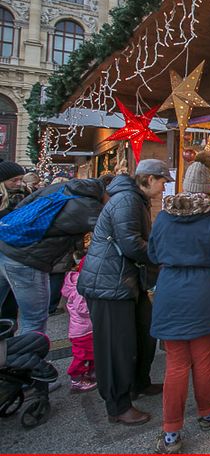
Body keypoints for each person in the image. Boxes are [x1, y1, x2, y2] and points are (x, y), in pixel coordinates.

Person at [147, 151, 210, 453]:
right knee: (203, 361)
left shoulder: (163, 217)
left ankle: (171, 434)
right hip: (204, 294)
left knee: (175, 365)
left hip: (170, 293)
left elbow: (151, 255)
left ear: (185, 188)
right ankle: (209, 413)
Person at [78, 160, 172, 426]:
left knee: (144, 331)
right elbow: (132, 245)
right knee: (116, 346)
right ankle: (117, 405)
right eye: (163, 181)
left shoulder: (135, 199)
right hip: (109, 284)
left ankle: (138, 382)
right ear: (149, 179)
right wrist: (165, 255)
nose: (165, 187)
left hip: (128, 281)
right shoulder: (127, 201)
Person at [0, 177, 106, 335]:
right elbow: (110, 233)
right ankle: (29, 356)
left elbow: (24, 205)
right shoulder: (91, 208)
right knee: (34, 318)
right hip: (27, 259)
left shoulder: (59, 187)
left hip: (5, 246)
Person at [61, 246, 96, 393]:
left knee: (94, 352)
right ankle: (76, 379)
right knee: (82, 356)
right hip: (82, 332)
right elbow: (83, 310)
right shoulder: (81, 288)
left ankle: (91, 373)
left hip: (87, 329)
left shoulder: (78, 283)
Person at [0, 161, 28, 322]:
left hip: (15, 256)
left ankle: (7, 340)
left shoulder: (24, 197)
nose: (18, 184)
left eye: (21, 179)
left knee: (10, 305)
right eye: (14, 180)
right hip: (5, 253)